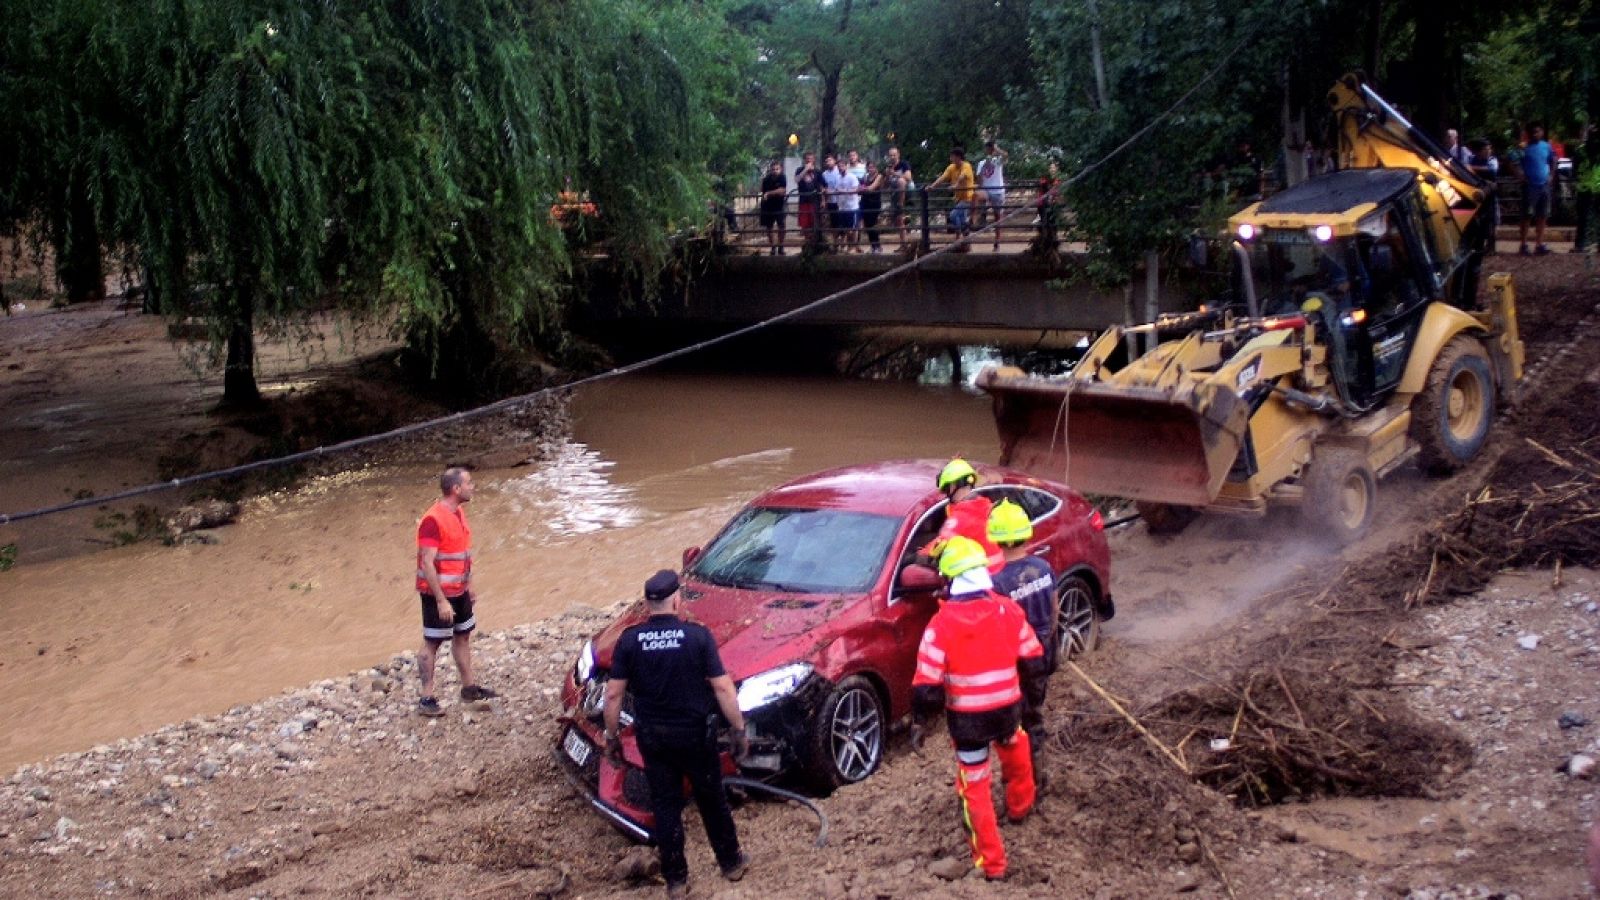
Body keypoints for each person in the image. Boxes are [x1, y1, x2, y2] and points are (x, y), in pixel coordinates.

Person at [603, 570, 750, 899]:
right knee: (712, 799)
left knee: (666, 805)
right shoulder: (698, 636)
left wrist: (611, 737)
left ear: (647, 604)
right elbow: (723, 688)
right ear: (677, 601)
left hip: (654, 738)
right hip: (695, 736)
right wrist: (738, 728)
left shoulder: (630, 641)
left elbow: (613, 695)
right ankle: (731, 864)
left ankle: (676, 881)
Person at [910, 536, 1045, 881]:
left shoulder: (941, 624)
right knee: (1016, 746)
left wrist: (920, 722)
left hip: (968, 721)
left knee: (975, 786)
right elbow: (1033, 658)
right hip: (1008, 710)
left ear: (950, 579)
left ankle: (992, 864)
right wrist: (1032, 698)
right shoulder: (1008, 610)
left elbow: (926, 684)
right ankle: (1020, 806)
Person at [415, 467, 497, 717]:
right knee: (432, 642)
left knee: (463, 635)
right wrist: (441, 600)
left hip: (459, 590)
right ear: (456, 489)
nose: (473, 487)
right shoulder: (433, 520)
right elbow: (427, 562)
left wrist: (469, 585)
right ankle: (426, 698)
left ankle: (469, 688)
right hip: (438, 594)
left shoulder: (458, 513)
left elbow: (463, 553)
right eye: (469, 483)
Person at [988, 500, 1057, 751]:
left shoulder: (997, 583)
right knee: (1035, 707)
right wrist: (1047, 640)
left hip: (1018, 660)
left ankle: (1027, 759)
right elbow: (1055, 610)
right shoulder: (1044, 567)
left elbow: (998, 631)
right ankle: (1036, 750)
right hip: (1044, 651)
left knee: (1017, 717)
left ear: (997, 539)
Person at [921, 458, 1003, 572]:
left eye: (946, 489)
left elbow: (939, 547)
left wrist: (918, 555)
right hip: (997, 570)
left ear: (953, 486)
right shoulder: (984, 506)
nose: (946, 494)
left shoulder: (961, 517)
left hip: (980, 575)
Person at [927, 146, 977, 248]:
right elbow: (942, 178)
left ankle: (961, 235)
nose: (951, 158)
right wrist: (932, 186)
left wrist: (956, 185)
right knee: (962, 220)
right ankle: (965, 239)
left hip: (967, 198)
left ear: (958, 157)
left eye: (952, 156)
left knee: (953, 215)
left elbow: (962, 176)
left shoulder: (966, 166)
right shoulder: (951, 167)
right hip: (958, 198)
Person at [1520, 123, 1556, 255]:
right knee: (1527, 215)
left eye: (1538, 131)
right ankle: (1523, 244)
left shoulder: (1546, 146)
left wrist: (1551, 175)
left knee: (1543, 215)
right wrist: (1519, 175)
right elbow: (1511, 161)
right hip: (1529, 185)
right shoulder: (1523, 147)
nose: (1535, 134)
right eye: (1533, 132)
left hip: (1544, 184)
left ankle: (1539, 244)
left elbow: (1553, 160)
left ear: (1541, 132)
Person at [1466, 139, 1501, 254]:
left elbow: (1492, 170)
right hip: (1476, 194)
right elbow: (1465, 169)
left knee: (1491, 220)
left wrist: (1473, 169)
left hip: (1490, 194)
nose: (1488, 151)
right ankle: (1476, 245)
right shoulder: (1471, 158)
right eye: (1485, 149)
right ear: (1478, 151)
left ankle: (1491, 247)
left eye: (1489, 149)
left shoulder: (1492, 160)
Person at [974, 140, 1009, 250]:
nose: (989, 150)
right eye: (988, 148)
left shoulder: (998, 161)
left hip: (998, 192)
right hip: (986, 190)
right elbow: (979, 180)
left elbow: (1006, 155)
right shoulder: (981, 163)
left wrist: (997, 149)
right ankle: (974, 219)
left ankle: (997, 241)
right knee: (976, 195)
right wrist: (984, 166)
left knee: (997, 217)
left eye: (991, 148)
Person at [828, 155, 862, 252]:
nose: (840, 168)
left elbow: (856, 189)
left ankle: (853, 246)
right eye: (839, 166)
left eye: (842, 166)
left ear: (846, 166)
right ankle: (849, 246)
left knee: (853, 228)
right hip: (842, 207)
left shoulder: (852, 177)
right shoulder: (838, 178)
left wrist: (843, 191)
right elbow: (836, 190)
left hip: (852, 207)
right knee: (846, 228)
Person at [757, 160, 788, 256]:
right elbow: (762, 191)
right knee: (769, 227)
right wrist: (767, 194)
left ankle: (781, 246)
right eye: (773, 169)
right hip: (768, 206)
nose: (775, 171)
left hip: (779, 205)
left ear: (780, 169)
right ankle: (773, 247)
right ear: (770, 170)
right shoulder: (766, 179)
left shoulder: (782, 177)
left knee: (782, 226)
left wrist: (769, 193)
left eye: (777, 169)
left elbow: (782, 190)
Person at [885, 146, 914, 248]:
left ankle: (902, 205)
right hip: (895, 194)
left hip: (907, 192)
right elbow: (886, 185)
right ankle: (903, 244)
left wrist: (894, 173)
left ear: (898, 155)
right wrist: (887, 175)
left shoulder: (904, 164)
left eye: (894, 155)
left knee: (901, 181)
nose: (892, 157)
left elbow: (908, 177)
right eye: (891, 155)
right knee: (899, 220)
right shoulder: (888, 168)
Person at [794, 152, 823, 246]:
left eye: (811, 158)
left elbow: (822, 186)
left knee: (815, 222)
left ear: (814, 160)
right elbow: (797, 180)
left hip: (815, 200)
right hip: (803, 200)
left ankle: (815, 243)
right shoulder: (799, 169)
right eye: (807, 158)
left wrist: (823, 200)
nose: (809, 160)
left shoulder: (818, 171)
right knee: (805, 223)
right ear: (804, 160)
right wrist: (805, 169)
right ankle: (807, 242)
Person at [859, 160, 885, 253]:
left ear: (876, 168)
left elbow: (872, 188)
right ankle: (874, 246)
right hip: (865, 202)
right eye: (869, 167)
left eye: (873, 167)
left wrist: (864, 189)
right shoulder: (865, 176)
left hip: (874, 203)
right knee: (867, 225)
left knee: (872, 224)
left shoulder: (879, 176)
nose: (871, 169)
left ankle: (877, 245)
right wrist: (863, 189)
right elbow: (859, 187)